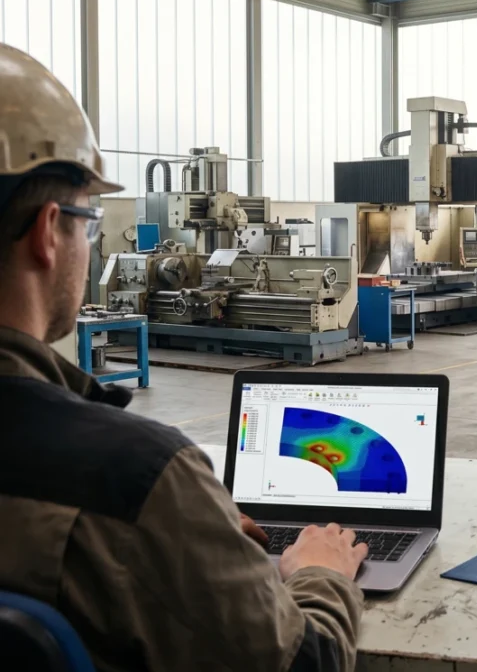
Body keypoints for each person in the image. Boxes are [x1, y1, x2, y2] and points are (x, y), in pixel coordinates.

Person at [0, 44, 368, 671]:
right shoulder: (137, 477)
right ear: (47, 233)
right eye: (90, 223)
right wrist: (321, 574)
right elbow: (305, 663)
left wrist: (194, 537)